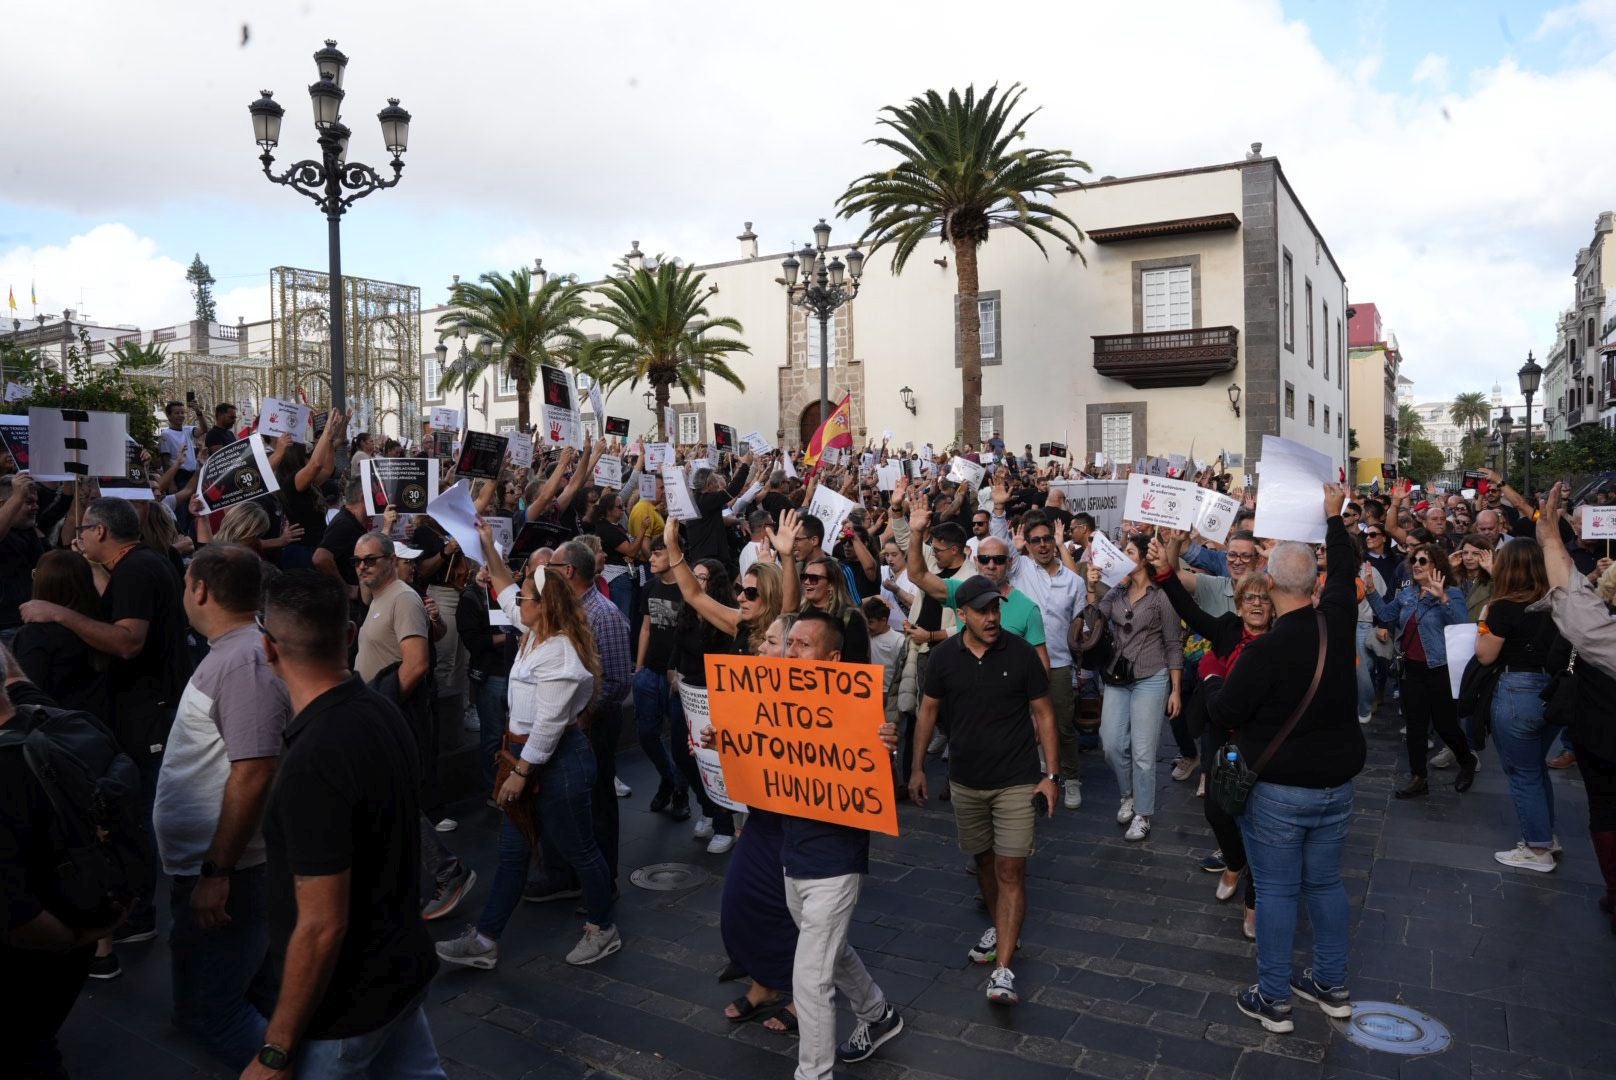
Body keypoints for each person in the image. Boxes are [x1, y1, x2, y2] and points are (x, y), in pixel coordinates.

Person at [251, 570, 446, 1078]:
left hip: (346, 1010)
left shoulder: (314, 759)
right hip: (400, 974)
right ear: (350, 635)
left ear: (269, 648)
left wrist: (276, 1048)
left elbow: (321, 924)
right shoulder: (382, 711)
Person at [1210, 483, 1365, 1034]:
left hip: (1277, 792)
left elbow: (1224, 710)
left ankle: (1273, 997)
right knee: (1325, 884)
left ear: (1269, 583)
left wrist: (1209, 685)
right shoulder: (1339, 619)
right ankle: (1332, 982)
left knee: (1276, 891)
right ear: (1315, 584)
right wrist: (1334, 519)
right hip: (1338, 787)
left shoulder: (1267, 651)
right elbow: (1345, 573)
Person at [435, 522, 622, 969]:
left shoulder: (558, 651)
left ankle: (603, 927)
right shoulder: (536, 626)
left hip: (555, 761)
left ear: (543, 605)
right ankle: (485, 939)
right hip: (530, 757)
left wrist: (519, 775)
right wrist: (486, 548)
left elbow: (548, 725)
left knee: (580, 848)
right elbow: (502, 587)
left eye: (525, 597)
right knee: (511, 851)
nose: (515, 602)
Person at [22, 496, 191, 945]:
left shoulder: (136, 570)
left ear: (100, 532)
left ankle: (139, 916)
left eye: (83, 530)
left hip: (147, 714)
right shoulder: (139, 566)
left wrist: (57, 612)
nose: (78, 537)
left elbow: (127, 642)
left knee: (139, 814)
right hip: (149, 709)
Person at [154, 544, 289, 1069]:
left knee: (215, 1012)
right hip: (222, 869)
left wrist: (217, 871)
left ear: (201, 589)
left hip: (234, 874)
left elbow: (254, 770)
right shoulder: (235, 653)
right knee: (245, 995)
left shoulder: (244, 660)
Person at [909, 575, 1058, 1006]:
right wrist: (918, 768)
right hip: (967, 782)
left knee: (1011, 871)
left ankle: (1003, 969)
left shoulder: (1021, 653)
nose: (992, 618)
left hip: (1016, 780)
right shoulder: (943, 658)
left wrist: (1052, 775)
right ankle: (1000, 927)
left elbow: (1045, 714)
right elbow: (928, 711)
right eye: (982, 611)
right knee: (985, 866)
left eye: (995, 609)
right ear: (962, 615)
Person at [780, 609, 905, 1078]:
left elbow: (875, 775)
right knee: (832, 952)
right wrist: (724, 740)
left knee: (809, 978)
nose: (790, 653)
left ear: (832, 658)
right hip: (793, 855)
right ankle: (877, 1014)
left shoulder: (859, 713)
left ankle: (814, 1073)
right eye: (788, 644)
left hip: (835, 861)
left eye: (802, 646)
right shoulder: (776, 703)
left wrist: (884, 745)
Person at [0, 673, 133, 1079]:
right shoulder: (66, 725)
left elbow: (17, 918)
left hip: (38, 950)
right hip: (83, 918)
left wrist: (69, 939)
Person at [1152, 533, 1275, 938]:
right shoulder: (1225, 630)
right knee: (1217, 811)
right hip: (1224, 736)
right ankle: (1235, 861)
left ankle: (1255, 902)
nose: (1256, 605)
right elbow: (1186, 605)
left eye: (1263, 598)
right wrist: (1166, 571)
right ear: (1238, 606)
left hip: (1267, 744)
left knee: (1261, 823)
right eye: (1248, 599)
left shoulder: (1283, 641)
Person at [350, 530, 475, 922]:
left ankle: (447, 871)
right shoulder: (380, 597)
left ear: (390, 560)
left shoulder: (402, 598)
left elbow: (417, 663)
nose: (363, 566)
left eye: (370, 559)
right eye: (357, 561)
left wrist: (379, 710)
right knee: (387, 803)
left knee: (395, 802)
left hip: (388, 717)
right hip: (376, 713)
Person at [1533, 486, 1616, 929]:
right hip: (1597, 734)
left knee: (1604, 809)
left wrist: (1550, 541)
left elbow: (1584, 625)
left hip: (1599, 736)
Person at [1074, 533, 1183, 841]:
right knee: (1110, 743)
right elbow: (1092, 621)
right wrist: (1092, 589)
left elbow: (1174, 643)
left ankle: (1143, 814)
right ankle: (1128, 794)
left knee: (1144, 752)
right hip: (1117, 677)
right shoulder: (1117, 592)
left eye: (1130, 552)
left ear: (1144, 559)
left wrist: (1175, 689)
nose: (1123, 556)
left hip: (1152, 676)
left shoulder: (1162, 595)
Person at [1365, 543, 1479, 798]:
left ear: (1436, 567)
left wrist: (1443, 598)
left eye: (1422, 561)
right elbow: (1385, 613)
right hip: (1410, 670)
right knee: (1415, 726)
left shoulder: (1451, 593)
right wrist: (1371, 590)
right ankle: (1419, 778)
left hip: (1439, 669)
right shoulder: (1408, 594)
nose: (1415, 564)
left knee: (1445, 726)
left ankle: (1466, 760)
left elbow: (1461, 624)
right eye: (1413, 560)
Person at [549, 539, 633, 883]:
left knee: (597, 804)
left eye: (552, 568)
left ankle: (604, 879)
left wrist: (584, 716)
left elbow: (616, 681)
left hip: (593, 725)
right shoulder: (564, 610)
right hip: (569, 725)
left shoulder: (603, 615)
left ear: (568, 571)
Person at [1474, 539, 1560, 872]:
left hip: (1517, 691)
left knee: (1523, 773)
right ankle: (1547, 837)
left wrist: (1483, 624)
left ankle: (1538, 850)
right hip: (1550, 690)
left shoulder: (1504, 607)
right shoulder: (1557, 602)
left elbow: (1485, 655)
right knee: (1536, 768)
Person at [992, 505, 1083, 806]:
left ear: (1054, 542)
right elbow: (994, 549)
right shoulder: (1020, 568)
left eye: (1047, 539)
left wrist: (1080, 670)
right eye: (1036, 540)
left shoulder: (1074, 582)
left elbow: (1078, 629)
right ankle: (1029, 772)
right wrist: (998, 508)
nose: (1042, 544)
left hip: (1057, 663)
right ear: (1028, 545)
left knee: (1061, 724)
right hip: (1018, 661)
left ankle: (1070, 777)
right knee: (1020, 722)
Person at [13, 548, 110, 720]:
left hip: (58, 732)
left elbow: (26, 695)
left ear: (43, 583)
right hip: (101, 727)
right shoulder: (103, 628)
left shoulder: (34, 636)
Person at [634, 535, 691, 821]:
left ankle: (680, 790)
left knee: (679, 740)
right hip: (650, 673)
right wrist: (639, 666)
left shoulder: (688, 589)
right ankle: (668, 777)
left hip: (677, 675)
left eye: (657, 554)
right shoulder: (649, 586)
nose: (651, 559)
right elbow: (646, 627)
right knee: (646, 734)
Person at [458, 563, 517, 795]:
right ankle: (495, 789)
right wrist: (509, 637)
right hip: (491, 675)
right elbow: (474, 642)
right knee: (492, 736)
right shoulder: (471, 598)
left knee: (516, 734)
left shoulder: (513, 593)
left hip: (515, 674)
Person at [1452, 532, 1496, 621]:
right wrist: (1447, 567)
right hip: (1452, 631)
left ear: (1487, 555)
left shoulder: (1492, 580)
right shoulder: (1453, 577)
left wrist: (1491, 569)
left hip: (1480, 631)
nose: (1468, 557)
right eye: (1465, 553)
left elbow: (1506, 593)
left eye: (1475, 553)